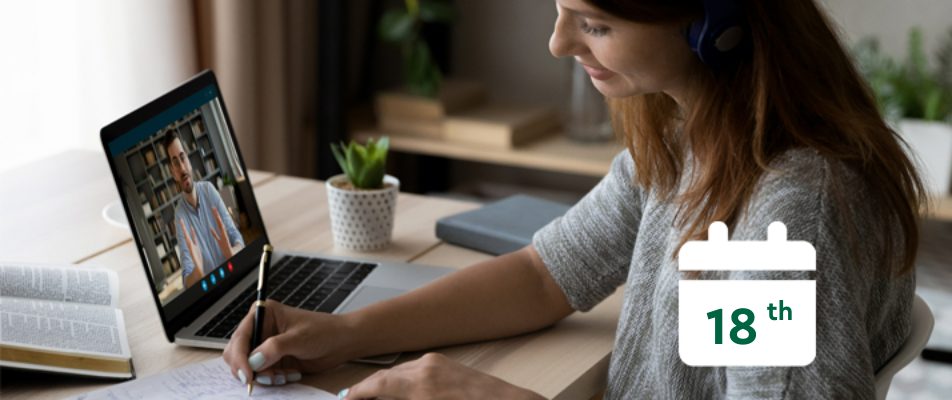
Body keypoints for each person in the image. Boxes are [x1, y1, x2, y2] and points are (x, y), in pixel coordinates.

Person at [223, 0, 925, 398]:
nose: (559, 42)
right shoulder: (691, 141)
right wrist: (344, 333)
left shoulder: (789, 213)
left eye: (594, 23)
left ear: (718, 25)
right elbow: (545, 273)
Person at [164, 129, 245, 289]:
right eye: (175, 162)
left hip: (235, 278)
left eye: (182, 157)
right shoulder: (179, 216)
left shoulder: (209, 190)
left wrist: (231, 253)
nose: (181, 167)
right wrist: (198, 272)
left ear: (189, 159)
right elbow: (187, 280)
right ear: (172, 172)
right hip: (213, 291)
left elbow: (237, 238)